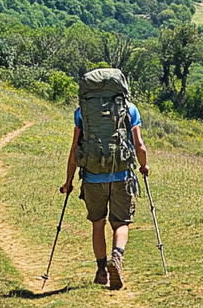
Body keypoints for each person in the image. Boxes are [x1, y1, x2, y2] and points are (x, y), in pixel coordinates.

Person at [60, 99, 149, 290]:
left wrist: (69, 180)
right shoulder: (130, 109)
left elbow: (75, 148)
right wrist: (143, 166)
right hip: (121, 176)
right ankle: (116, 257)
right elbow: (139, 143)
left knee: (98, 223)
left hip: (92, 178)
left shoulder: (82, 111)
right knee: (121, 223)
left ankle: (101, 272)